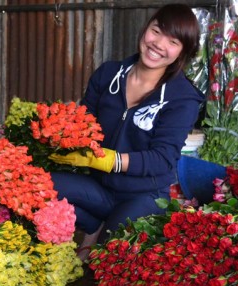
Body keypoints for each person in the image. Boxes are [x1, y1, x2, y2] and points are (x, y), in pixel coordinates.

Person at [49, 3, 205, 261]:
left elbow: (163, 158)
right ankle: (92, 224)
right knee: (37, 185)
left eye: (173, 41)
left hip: (144, 193)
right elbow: (84, 121)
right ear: (146, 29)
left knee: (104, 257)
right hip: (99, 186)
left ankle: (101, 231)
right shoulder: (109, 74)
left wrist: (111, 159)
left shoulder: (181, 99)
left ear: (182, 53)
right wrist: (62, 131)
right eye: (156, 31)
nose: (158, 44)